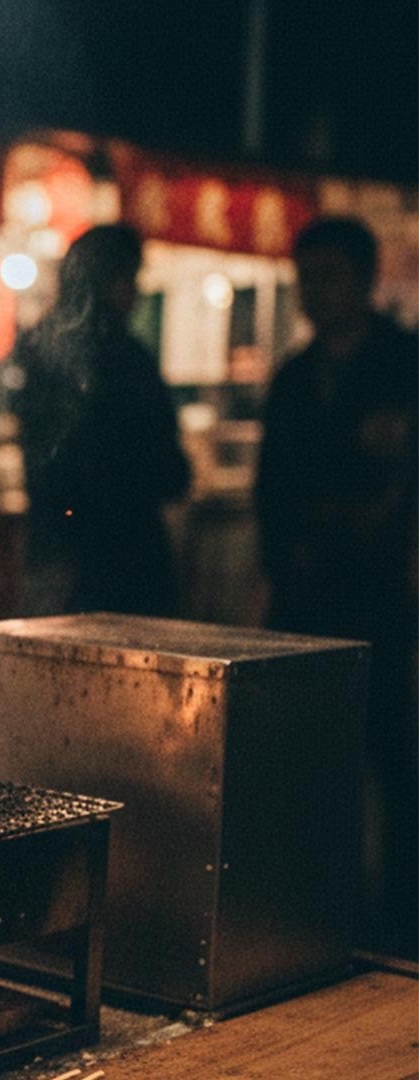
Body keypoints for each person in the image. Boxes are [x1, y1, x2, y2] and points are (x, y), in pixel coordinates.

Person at [255, 215, 417, 958]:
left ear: (362, 279)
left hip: (384, 592)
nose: (314, 293)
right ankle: (323, 905)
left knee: (391, 746)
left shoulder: (403, 363)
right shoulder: (292, 375)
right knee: (311, 753)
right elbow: (270, 488)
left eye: (327, 276)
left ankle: (400, 913)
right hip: (303, 591)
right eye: (304, 278)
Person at [10, 224, 191, 617]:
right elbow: (167, 467)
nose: (136, 292)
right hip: (124, 553)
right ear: (113, 280)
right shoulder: (125, 357)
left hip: (56, 547)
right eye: (131, 278)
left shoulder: (39, 346)